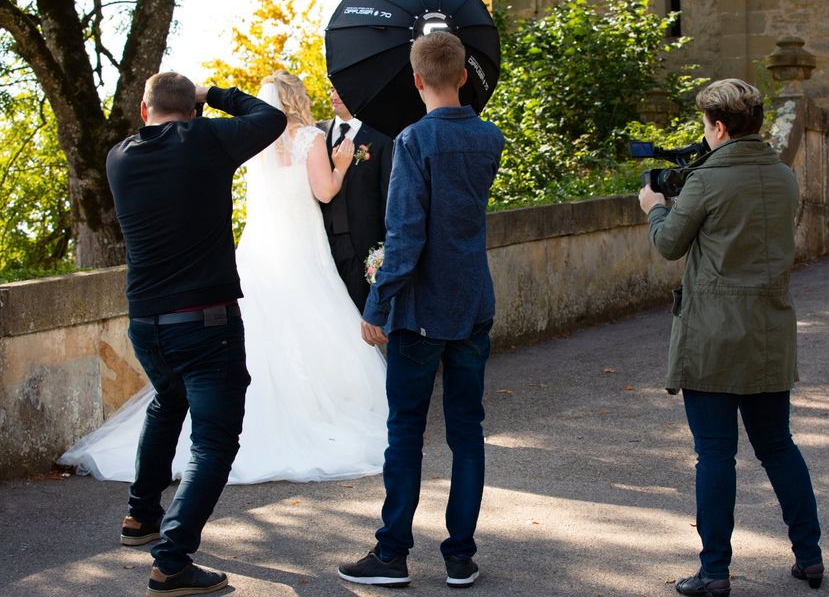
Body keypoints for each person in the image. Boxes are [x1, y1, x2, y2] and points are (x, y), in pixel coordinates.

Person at [60, 71, 389, 485]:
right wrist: (340, 166)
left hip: (256, 249)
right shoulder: (308, 138)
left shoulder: (135, 155)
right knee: (313, 320)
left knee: (246, 341)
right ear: (296, 99)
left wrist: (201, 101)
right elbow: (324, 193)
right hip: (301, 246)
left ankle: (147, 501)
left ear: (145, 110)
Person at [638, 78, 824, 597]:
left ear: (718, 127)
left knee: (715, 455)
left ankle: (714, 571)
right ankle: (810, 557)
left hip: (714, 336)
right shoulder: (784, 177)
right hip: (768, 330)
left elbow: (670, 244)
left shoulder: (707, 181)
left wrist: (654, 204)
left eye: (704, 124)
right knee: (778, 447)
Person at [104, 72, 285, 596]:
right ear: (194, 110)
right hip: (206, 323)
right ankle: (172, 561)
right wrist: (213, 96)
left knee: (167, 399)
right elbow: (270, 118)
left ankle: (140, 517)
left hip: (146, 323)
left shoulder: (119, 157)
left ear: (143, 110)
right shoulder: (204, 141)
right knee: (213, 443)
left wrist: (189, 106)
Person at [337, 31, 504, 590]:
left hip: (421, 310)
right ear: (463, 75)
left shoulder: (412, 141)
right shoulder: (491, 138)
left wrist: (377, 304)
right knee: (467, 432)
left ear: (415, 81)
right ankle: (460, 556)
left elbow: (405, 235)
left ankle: (392, 554)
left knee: (406, 430)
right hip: (473, 301)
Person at [318, 86, 393, 312]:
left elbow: (387, 197)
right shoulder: (315, 135)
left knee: (360, 319)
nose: (334, 95)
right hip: (320, 244)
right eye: (331, 89)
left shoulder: (380, 138)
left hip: (363, 247)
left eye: (341, 90)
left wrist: (386, 248)